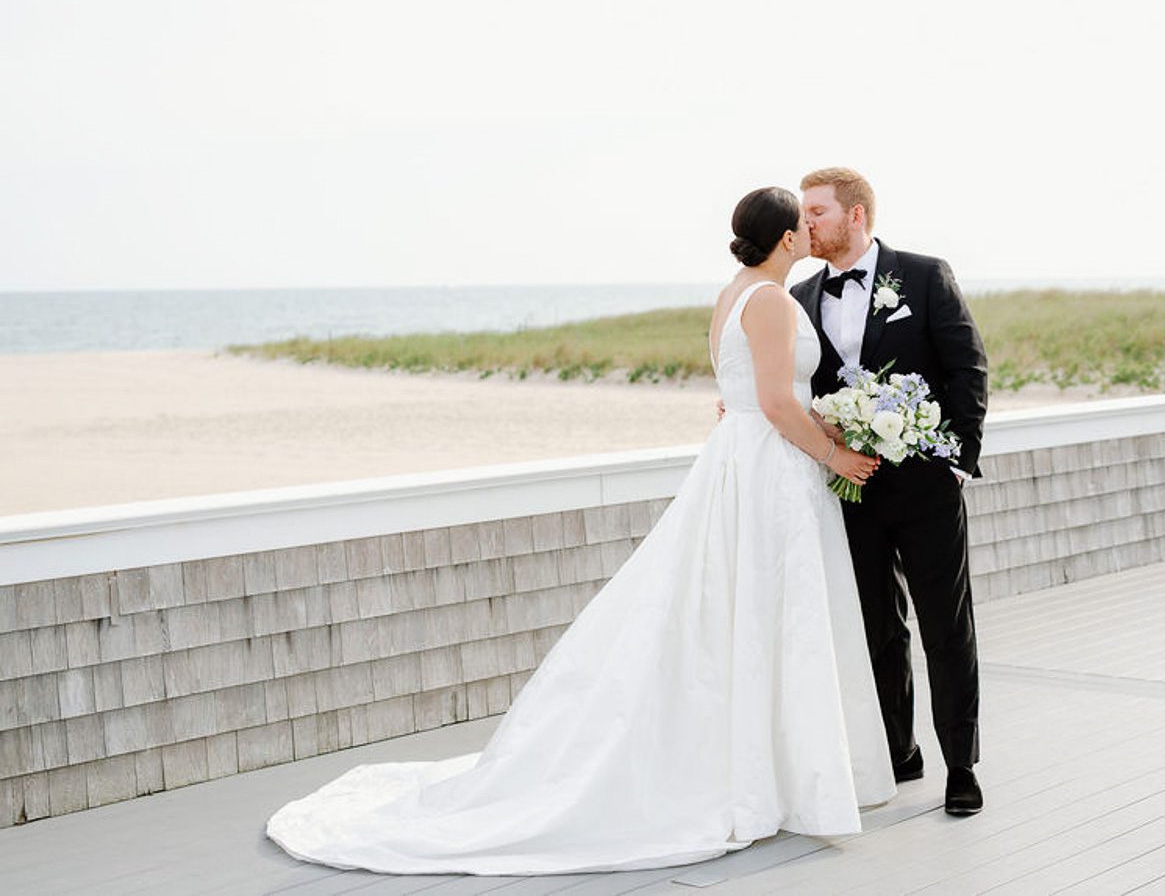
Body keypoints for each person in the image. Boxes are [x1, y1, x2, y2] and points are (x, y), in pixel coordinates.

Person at [265, 187, 894, 875]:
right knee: (768, 612)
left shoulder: (734, 292)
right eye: (801, 224)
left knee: (745, 614)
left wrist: (825, 423)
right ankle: (768, 774)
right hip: (767, 472)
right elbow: (774, 401)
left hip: (743, 462)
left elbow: (757, 395)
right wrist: (834, 455)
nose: (810, 232)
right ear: (782, 238)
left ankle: (772, 767)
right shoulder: (771, 299)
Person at [791, 167, 988, 817]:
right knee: (875, 625)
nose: (806, 222)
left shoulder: (926, 275)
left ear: (856, 215)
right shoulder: (798, 295)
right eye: (802, 211)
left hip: (927, 483)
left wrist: (958, 461)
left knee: (945, 627)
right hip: (848, 487)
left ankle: (961, 765)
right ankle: (899, 750)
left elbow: (967, 365)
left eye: (816, 210)